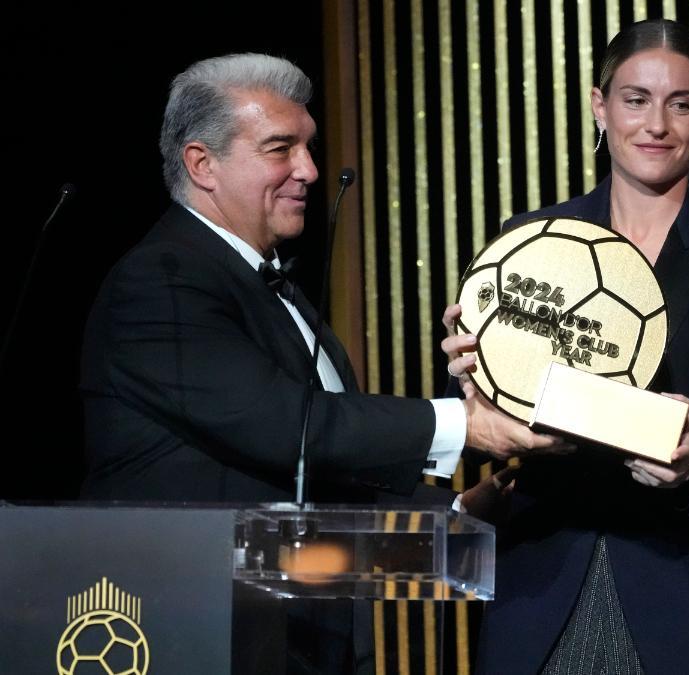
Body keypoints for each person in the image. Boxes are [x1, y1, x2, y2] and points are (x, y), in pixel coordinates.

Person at [79, 53, 563, 673]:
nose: (308, 169)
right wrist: (467, 426)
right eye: (281, 149)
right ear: (203, 164)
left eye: (308, 147)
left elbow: (317, 479)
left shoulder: (267, 283)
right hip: (197, 639)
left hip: (303, 637)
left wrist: (456, 517)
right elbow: (288, 426)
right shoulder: (160, 281)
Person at [441, 19, 689, 674]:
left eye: (681, 103)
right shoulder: (531, 239)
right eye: (635, 99)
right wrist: (471, 379)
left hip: (681, 581)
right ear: (599, 106)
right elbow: (480, 413)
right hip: (541, 574)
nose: (656, 124)